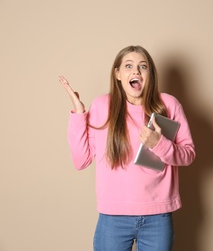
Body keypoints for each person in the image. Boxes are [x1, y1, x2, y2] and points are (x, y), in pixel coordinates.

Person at [59, 45, 196, 251]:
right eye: (129, 66)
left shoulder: (168, 104)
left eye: (143, 66)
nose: (136, 71)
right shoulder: (102, 106)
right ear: (118, 74)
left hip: (157, 218)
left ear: (150, 74)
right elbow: (81, 161)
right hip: (113, 218)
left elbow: (188, 155)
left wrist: (159, 144)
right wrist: (79, 115)